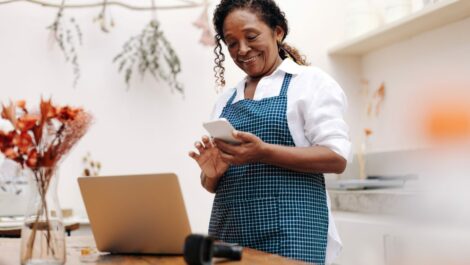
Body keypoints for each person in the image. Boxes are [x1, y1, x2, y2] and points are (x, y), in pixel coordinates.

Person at [189, 0, 350, 264]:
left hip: (291, 234)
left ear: (278, 32)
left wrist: (263, 152)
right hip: (229, 234)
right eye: (231, 43)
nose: (242, 50)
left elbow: (336, 157)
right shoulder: (226, 100)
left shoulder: (309, 83)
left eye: (251, 37)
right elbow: (212, 186)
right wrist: (211, 175)